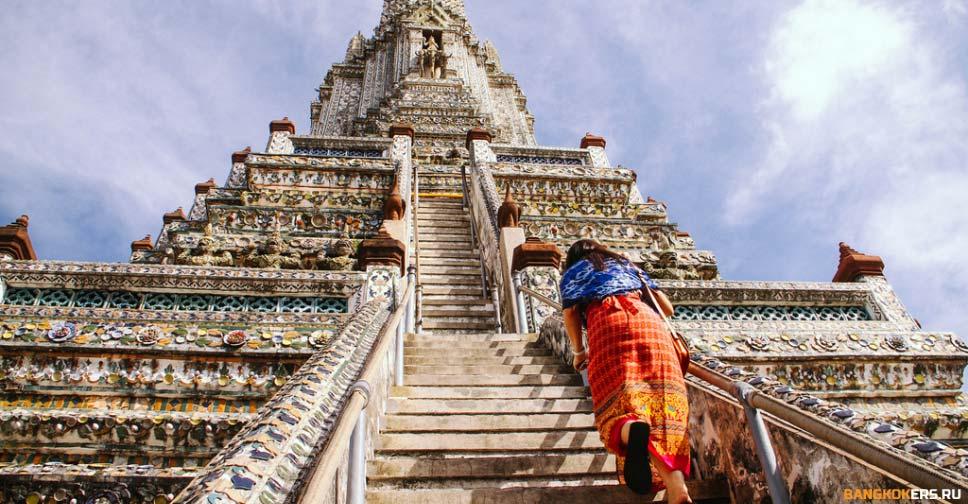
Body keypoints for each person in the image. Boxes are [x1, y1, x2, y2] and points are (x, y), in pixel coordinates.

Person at [559, 239, 692, 503]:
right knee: (664, 406)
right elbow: (667, 308)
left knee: (617, 407)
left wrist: (579, 352)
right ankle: (676, 486)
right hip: (650, 326)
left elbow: (571, 313)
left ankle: (631, 429)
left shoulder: (574, 272)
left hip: (607, 327)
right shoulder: (627, 265)